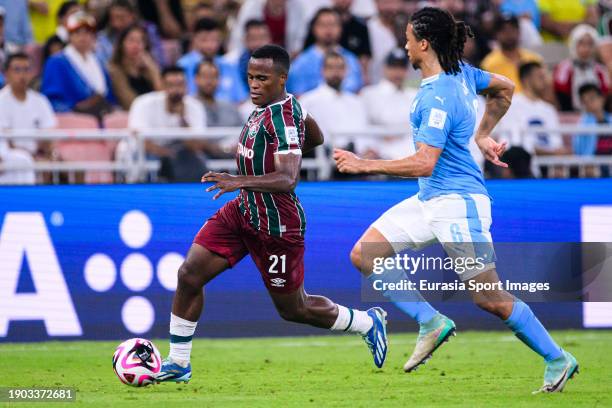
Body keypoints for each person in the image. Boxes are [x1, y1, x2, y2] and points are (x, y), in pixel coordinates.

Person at [333, 7, 578, 392]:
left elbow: (425, 162)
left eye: (410, 38)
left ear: (424, 44)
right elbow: (505, 88)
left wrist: (364, 164)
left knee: (489, 298)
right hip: (430, 200)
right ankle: (430, 321)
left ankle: (558, 358)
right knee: (366, 253)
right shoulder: (461, 73)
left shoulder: (439, 95)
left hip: (458, 204)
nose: (405, 45)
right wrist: (482, 135)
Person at [154, 45, 388, 383]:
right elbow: (316, 136)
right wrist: (282, 149)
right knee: (190, 274)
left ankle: (367, 322)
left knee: (295, 309)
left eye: (262, 78)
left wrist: (239, 180)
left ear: (282, 78)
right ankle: (178, 363)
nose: (254, 85)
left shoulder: (281, 116)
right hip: (243, 212)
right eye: (250, 77)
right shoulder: (274, 107)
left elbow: (288, 178)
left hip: (277, 224)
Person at [127, 66, 207, 182]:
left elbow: (196, 146)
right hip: (150, 153)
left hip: (181, 155)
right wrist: (168, 154)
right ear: (162, 85)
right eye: (171, 85)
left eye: (180, 85)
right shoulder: (143, 103)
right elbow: (141, 140)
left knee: (196, 159)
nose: (176, 90)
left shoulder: (195, 106)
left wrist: (182, 118)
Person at [41, 11, 115, 117]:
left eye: (87, 32)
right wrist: (76, 110)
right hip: (70, 121)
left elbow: (109, 97)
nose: (83, 37)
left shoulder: (99, 62)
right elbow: (52, 100)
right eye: (77, 32)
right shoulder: (56, 62)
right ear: (69, 36)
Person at [299, 51, 368, 152]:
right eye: (331, 68)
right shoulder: (308, 101)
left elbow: (364, 133)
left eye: (340, 68)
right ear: (322, 71)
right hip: (325, 159)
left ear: (346, 71)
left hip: (357, 157)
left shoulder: (356, 102)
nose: (336, 72)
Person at [497, 62, 568, 159]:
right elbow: (515, 143)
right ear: (526, 79)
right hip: (522, 163)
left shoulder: (549, 109)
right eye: (540, 77)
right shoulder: (511, 105)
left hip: (549, 164)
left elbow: (557, 144)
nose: (544, 80)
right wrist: (549, 153)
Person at [287, 8, 363, 95]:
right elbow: (297, 97)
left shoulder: (351, 60)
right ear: (314, 28)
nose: (328, 29)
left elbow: (357, 92)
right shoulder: (301, 63)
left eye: (333, 24)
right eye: (323, 25)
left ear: (340, 28)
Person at [360, 48, 418, 159]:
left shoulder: (414, 95)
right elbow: (363, 125)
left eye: (402, 67)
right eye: (393, 67)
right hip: (379, 149)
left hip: (409, 148)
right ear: (384, 68)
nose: (398, 72)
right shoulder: (369, 93)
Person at [0, 53, 56, 158]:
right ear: (6, 74)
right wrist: (31, 157)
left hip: (38, 155)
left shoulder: (41, 100)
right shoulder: (1, 101)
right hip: (11, 157)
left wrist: (48, 155)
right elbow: (6, 142)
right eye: (17, 70)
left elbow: (48, 136)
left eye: (26, 69)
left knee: (76, 171)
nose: (22, 75)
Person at [177, 17, 247, 102]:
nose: (210, 45)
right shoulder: (182, 65)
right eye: (204, 40)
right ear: (194, 39)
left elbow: (241, 98)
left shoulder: (229, 65)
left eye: (214, 40)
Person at [481, 14, 542, 94]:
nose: (509, 34)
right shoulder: (488, 64)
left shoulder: (533, 59)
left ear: (519, 32)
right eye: (504, 30)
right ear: (496, 35)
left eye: (512, 29)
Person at [554, 24, 610, 111]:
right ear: (573, 44)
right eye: (581, 43)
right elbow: (561, 94)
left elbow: (605, 95)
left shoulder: (600, 70)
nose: (586, 48)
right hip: (570, 115)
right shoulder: (564, 67)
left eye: (590, 44)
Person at [108, 24, 163, 110]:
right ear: (121, 44)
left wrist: (153, 69)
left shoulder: (148, 69)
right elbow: (130, 103)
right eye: (131, 40)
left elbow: (163, 98)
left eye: (140, 41)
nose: (136, 45)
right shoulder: (115, 70)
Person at [95, 0, 165, 67]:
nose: (116, 24)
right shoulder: (103, 37)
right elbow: (104, 64)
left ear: (132, 16)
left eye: (121, 18)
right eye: (112, 19)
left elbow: (160, 61)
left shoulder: (149, 30)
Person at [228, 0, 307, 56]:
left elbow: (299, 40)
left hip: (286, 60)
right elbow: (238, 37)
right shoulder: (251, 6)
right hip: (253, 56)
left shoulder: (297, 7)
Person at [573, 83, 612, 167]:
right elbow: (578, 151)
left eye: (592, 99)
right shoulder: (582, 125)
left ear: (602, 99)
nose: (589, 104)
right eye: (585, 102)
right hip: (592, 167)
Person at [367, 0, 403, 84]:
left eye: (393, 2)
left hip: (404, 87)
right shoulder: (369, 28)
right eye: (385, 2)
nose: (390, 7)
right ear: (376, 3)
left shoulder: (407, 27)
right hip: (376, 83)